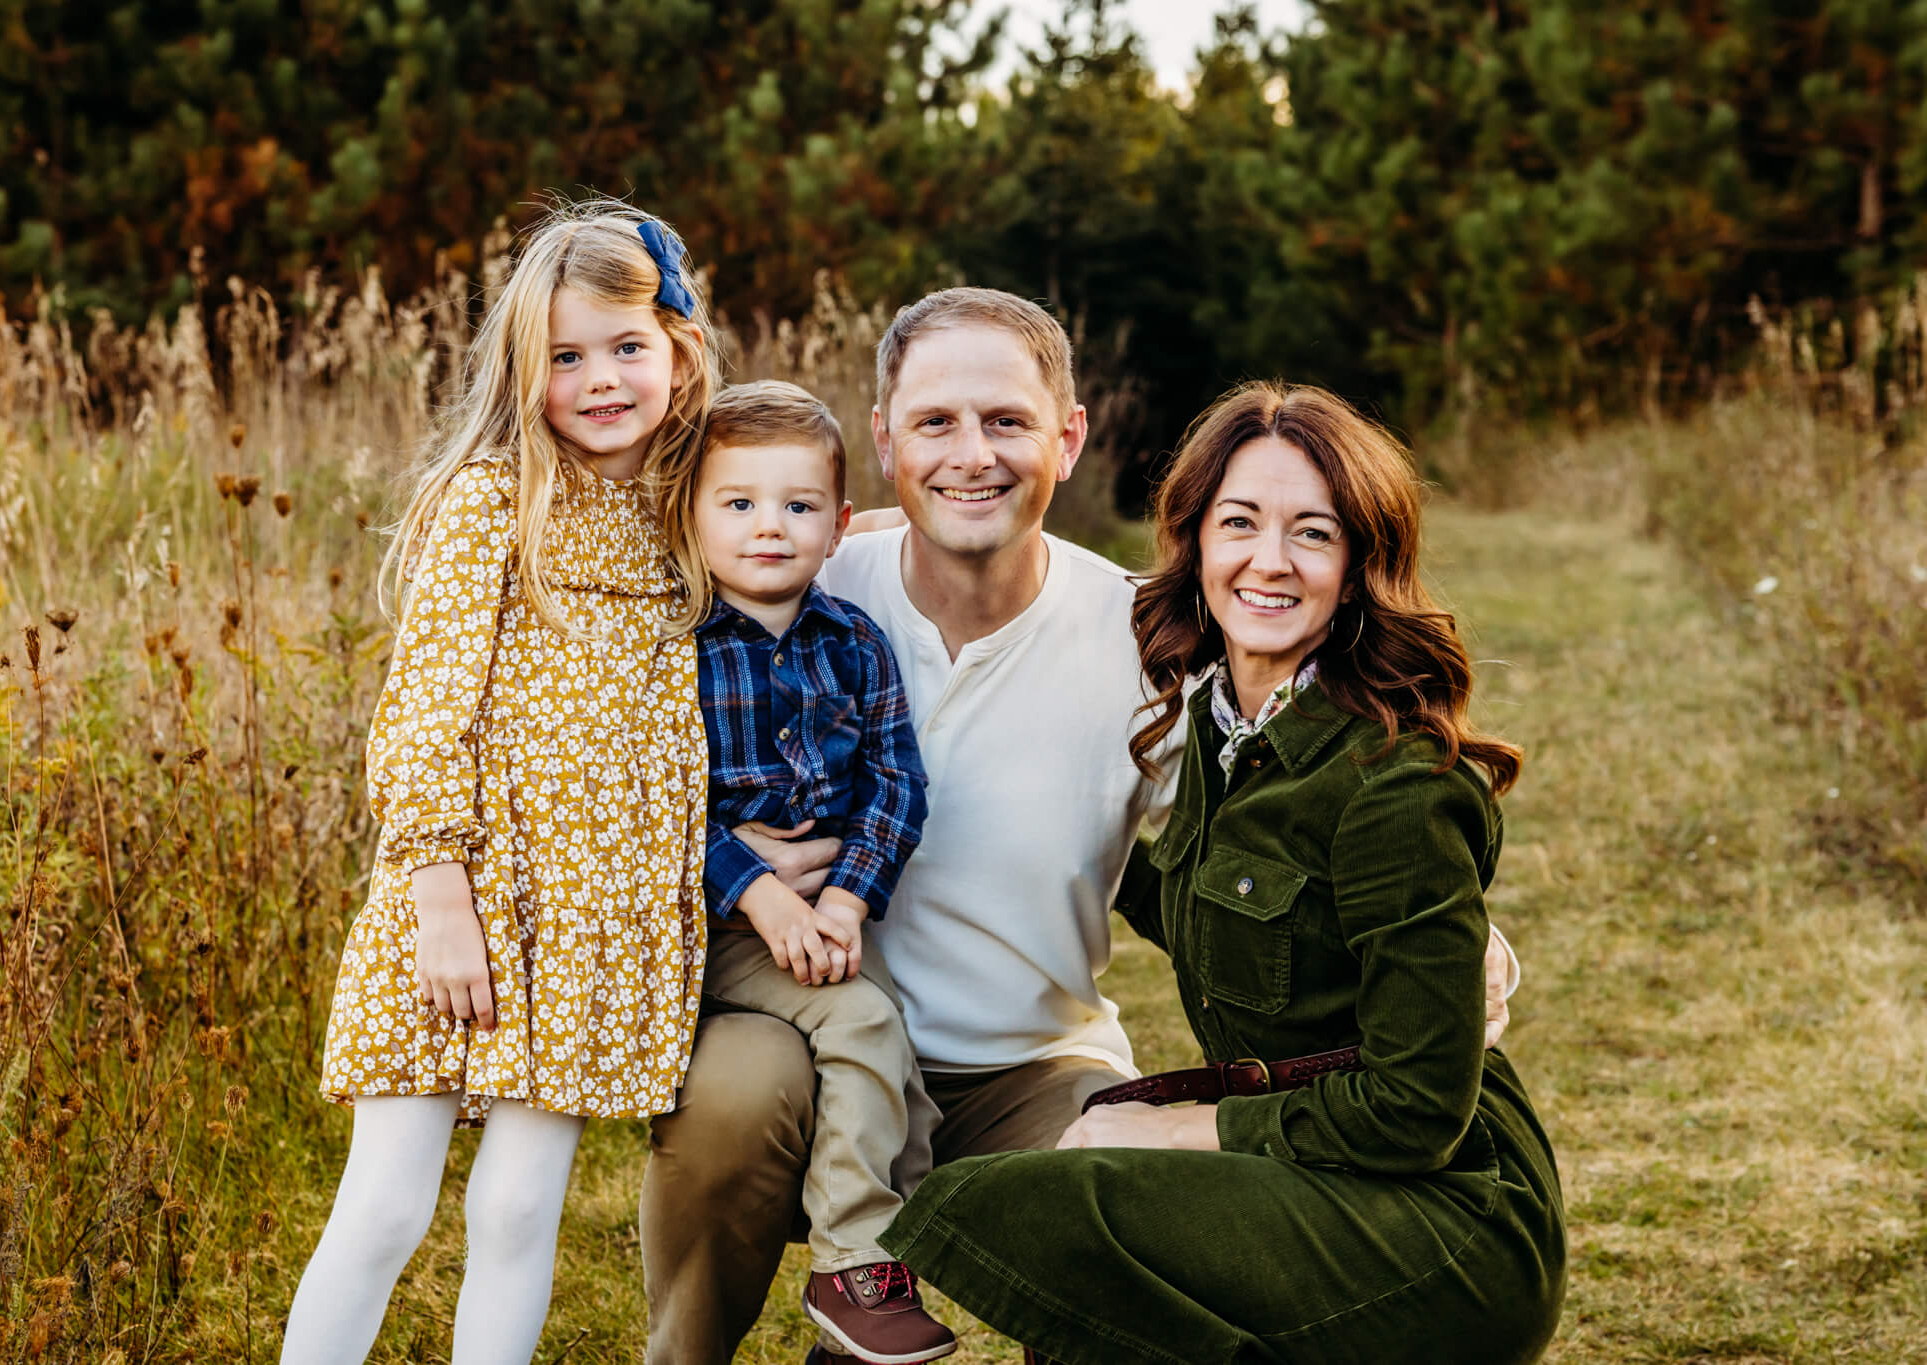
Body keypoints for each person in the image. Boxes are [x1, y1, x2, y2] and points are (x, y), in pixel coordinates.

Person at [638, 289, 1522, 1365]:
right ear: (880, 442)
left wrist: (1464, 941)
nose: (972, 455)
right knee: (731, 1087)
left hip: (1031, 1063)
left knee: (1125, 1179)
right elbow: (608, 761)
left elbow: (1257, 838)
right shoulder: (798, 583)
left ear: (1067, 437)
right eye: (934, 424)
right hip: (805, 1035)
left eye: (1006, 421)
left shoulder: (1145, 644)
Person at [881, 382, 1567, 1364]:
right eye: (1238, 523)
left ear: (1359, 563)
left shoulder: (1394, 781)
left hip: (1441, 1220)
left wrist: (1186, 1128)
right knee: (1079, 1217)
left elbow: (1414, 1113)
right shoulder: (1216, 727)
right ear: (1196, 542)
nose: (1268, 561)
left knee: (1048, 1197)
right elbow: (1198, 900)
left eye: (1312, 534)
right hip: (1316, 1172)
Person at [280, 201, 718, 1365]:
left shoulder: (692, 511)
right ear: (524, 369)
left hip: (592, 922)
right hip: (462, 900)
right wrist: (437, 898)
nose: (601, 379)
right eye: (565, 357)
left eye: (627, 347)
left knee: (520, 1206)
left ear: (678, 344)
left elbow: (808, 523)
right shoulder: (492, 498)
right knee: (384, 1206)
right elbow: (424, 704)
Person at [670, 380, 954, 1362]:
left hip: (817, 925)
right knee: (868, 1021)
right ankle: (851, 1266)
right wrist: (756, 895)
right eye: (737, 503)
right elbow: (648, 805)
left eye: (796, 507)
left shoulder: (854, 644)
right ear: (689, 513)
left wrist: (844, 897)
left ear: (837, 526)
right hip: (702, 935)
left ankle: (859, 1314)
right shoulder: (670, 649)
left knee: (903, 1094)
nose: (766, 528)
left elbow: (896, 785)